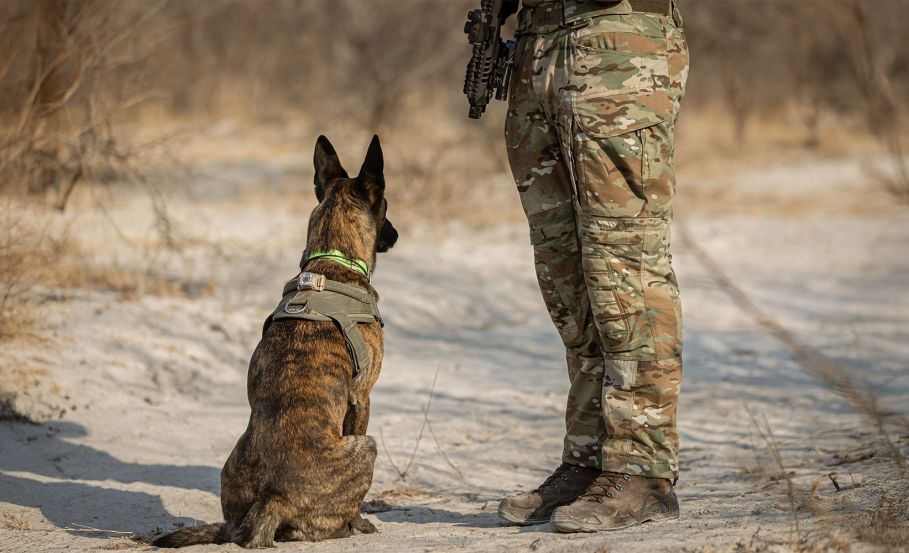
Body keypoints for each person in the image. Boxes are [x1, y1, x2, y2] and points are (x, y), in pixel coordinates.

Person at [496, 0, 689, 533]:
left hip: (615, 45)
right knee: (567, 279)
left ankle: (642, 469)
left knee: (624, 269)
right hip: (537, 45)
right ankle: (588, 459)